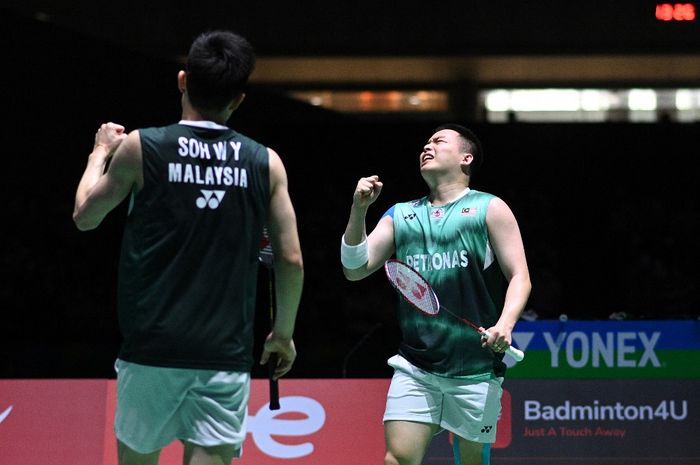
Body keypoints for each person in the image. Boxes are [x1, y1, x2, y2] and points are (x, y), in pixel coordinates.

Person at [73, 30, 304, 465]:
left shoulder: (142, 146)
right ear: (238, 98)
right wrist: (283, 335)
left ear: (183, 80)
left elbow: (85, 216)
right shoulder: (265, 162)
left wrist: (99, 152)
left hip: (150, 351)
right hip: (223, 354)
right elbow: (291, 259)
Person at [340, 124, 531, 465]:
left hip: (475, 367)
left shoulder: (489, 209)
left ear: (465, 158)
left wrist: (505, 323)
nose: (427, 147)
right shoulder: (402, 215)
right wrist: (359, 210)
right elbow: (355, 268)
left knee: (472, 461)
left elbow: (520, 276)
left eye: (439, 142)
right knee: (397, 459)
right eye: (425, 142)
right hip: (417, 365)